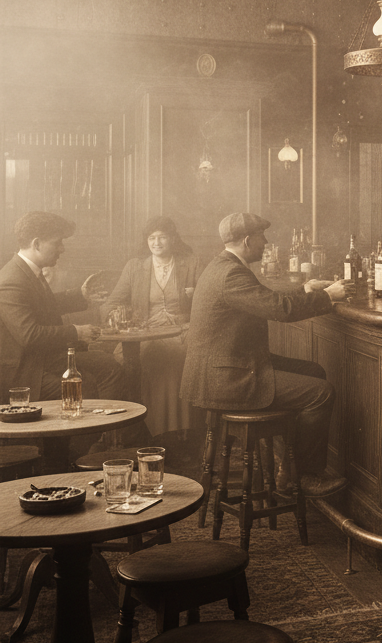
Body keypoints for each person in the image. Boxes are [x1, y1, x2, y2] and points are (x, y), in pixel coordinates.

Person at [179, 212, 348, 499]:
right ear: (247, 240)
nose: (266, 242)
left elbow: (266, 299)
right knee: (321, 392)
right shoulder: (232, 274)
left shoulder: (224, 265)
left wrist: (304, 289)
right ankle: (303, 475)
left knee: (314, 372)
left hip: (228, 367)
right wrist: (328, 296)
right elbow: (279, 309)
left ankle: (288, 468)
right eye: (261, 237)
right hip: (227, 378)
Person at [0, 211, 125, 404]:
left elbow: (41, 306)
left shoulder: (26, 271)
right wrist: (76, 332)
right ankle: (101, 431)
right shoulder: (11, 280)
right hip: (25, 372)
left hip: (43, 360)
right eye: (57, 242)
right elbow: (30, 336)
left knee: (109, 366)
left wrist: (81, 295)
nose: (62, 249)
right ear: (36, 244)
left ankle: (110, 430)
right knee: (84, 386)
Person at [101, 216, 201, 438]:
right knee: (139, 360)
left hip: (183, 330)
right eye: (152, 238)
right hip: (146, 332)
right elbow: (112, 302)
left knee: (177, 360)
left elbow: (207, 301)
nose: (156, 243)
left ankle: (180, 433)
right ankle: (145, 432)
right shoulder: (135, 267)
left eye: (162, 237)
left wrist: (195, 297)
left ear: (173, 239)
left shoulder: (191, 263)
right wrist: (113, 318)